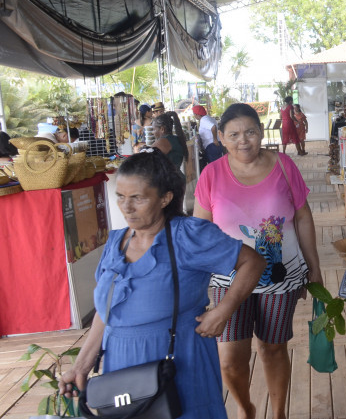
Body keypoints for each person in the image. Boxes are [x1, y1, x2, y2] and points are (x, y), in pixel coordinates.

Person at [58, 151, 265, 419]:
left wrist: (223, 311)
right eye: (120, 196)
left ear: (165, 198)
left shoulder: (189, 236)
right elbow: (106, 311)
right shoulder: (115, 242)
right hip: (121, 365)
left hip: (179, 360)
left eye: (138, 198)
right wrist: (82, 366)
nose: (126, 207)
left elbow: (253, 262)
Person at [194, 103, 323, 419]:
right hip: (228, 280)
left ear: (261, 133)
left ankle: (278, 413)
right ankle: (246, 408)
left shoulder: (283, 165)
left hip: (279, 277)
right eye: (234, 134)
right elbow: (200, 234)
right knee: (230, 358)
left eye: (251, 132)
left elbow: (303, 217)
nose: (243, 141)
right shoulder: (211, 174)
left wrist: (314, 268)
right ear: (221, 138)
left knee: (272, 348)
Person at [152, 112, 188, 180]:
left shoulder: (163, 141)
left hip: (169, 181)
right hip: (178, 178)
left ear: (162, 129)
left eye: (154, 129)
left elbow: (147, 156)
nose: (152, 132)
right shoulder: (176, 138)